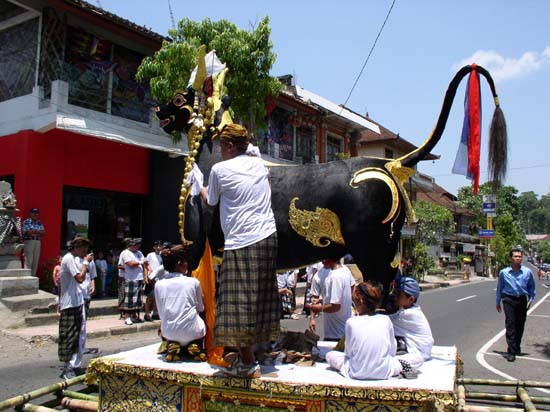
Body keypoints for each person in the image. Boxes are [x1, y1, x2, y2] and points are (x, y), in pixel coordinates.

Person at [199, 124, 279, 379]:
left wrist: (196, 184)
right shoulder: (259, 164)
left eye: (222, 146)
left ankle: (247, 363)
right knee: (259, 300)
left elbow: (210, 200)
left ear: (231, 146)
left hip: (241, 241)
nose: (220, 151)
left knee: (236, 304)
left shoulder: (219, 170)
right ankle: (259, 352)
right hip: (267, 237)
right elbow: (255, 158)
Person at [326, 281, 419, 380]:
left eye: (354, 301)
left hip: (356, 371)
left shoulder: (351, 322)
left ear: (360, 301)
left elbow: (348, 353)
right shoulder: (385, 320)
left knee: (330, 355)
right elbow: (392, 351)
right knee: (417, 358)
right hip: (384, 371)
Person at [154, 245, 207, 362]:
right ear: (179, 263)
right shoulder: (193, 282)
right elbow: (201, 308)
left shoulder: (158, 284)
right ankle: (195, 344)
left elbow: (160, 311)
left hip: (168, 332)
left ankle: (172, 344)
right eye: (185, 262)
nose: (187, 265)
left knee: (168, 325)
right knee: (202, 319)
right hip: (193, 331)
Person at [58, 237, 93, 380]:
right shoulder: (68, 259)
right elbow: (79, 278)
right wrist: (85, 263)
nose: (85, 251)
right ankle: (67, 367)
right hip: (69, 303)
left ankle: (74, 365)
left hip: (78, 301)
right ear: (77, 247)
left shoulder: (76, 259)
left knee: (78, 335)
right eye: (83, 248)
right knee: (69, 335)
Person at [496, 247, 536, 362]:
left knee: (520, 324)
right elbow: (500, 288)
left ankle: (517, 345)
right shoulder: (504, 272)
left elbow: (531, 287)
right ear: (511, 258)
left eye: (519, 256)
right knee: (510, 325)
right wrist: (497, 301)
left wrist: (530, 299)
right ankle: (511, 351)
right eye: (515, 256)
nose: (518, 258)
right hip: (508, 300)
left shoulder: (527, 272)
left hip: (522, 300)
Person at [389, 276, 434, 368]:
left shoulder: (410, 315)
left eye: (399, 295)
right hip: (416, 350)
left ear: (411, 299)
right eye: (395, 293)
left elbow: (384, 321)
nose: (395, 297)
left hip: (418, 354)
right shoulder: (409, 310)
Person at [308, 258, 353, 341]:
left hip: (335, 333)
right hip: (346, 329)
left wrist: (319, 308)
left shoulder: (335, 276)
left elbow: (335, 306)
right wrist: (312, 318)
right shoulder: (345, 270)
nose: (321, 261)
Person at [119, 238, 147, 325]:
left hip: (139, 278)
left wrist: (145, 277)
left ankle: (135, 316)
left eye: (138, 245)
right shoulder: (125, 253)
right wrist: (141, 262)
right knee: (129, 298)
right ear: (131, 245)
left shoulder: (139, 253)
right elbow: (130, 264)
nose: (137, 247)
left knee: (138, 298)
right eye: (136, 245)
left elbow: (145, 262)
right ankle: (127, 317)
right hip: (130, 278)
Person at [22, 207, 45, 277]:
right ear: (30, 213)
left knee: (35, 261)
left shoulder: (39, 222)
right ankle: (26, 277)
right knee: (29, 260)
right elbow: (28, 232)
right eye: (33, 213)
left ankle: (33, 277)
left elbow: (43, 233)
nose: (35, 214)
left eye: (36, 213)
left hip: (37, 242)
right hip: (29, 242)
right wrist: (38, 232)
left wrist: (34, 231)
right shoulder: (26, 222)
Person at [144, 241, 163, 322]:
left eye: (160, 246)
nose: (158, 247)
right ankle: (146, 313)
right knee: (150, 296)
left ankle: (155, 313)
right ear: (154, 247)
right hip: (151, 277)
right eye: (157, 246)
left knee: (157, 297)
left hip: (160, 278)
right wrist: (146, 275)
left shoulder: (163, 255)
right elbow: (146, 264)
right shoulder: (150, 255)